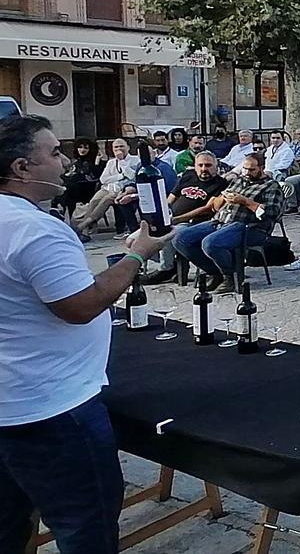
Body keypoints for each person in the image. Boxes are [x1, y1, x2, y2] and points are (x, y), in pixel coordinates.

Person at [0, 115, 173, 553]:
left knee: (7, 522)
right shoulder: (33, 229)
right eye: (54, 152)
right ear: (22, 168)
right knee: (85, 524)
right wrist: (136, 256)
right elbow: (80, 306)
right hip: (51, 407)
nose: (63, 162)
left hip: (12, 398)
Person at [173, 153, 284, 293]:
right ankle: (216, 271)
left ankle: (230, 276)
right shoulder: (238, 180)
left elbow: (271, 213)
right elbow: (216, 207)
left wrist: (245, 202)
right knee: (180, 238)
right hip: (220, 221)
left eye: (251, 170)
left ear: (261, 168)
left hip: (248, 227)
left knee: (210, 243)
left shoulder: (271, 186)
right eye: (245, 169)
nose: (247, 173)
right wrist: (223, 198)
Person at [143, 151, 229, 284]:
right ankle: (172, 265)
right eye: (200, 165)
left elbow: (207, 208)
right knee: (136, 238)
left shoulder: (221, 183)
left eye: (208, 165)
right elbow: (171, 198)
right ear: (194, 166)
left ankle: (166, 269)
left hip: (194, 223)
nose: (204, 169)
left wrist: (178, 219)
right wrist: (161, 214)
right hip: (172, 218)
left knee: (168, 234)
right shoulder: (188, 176)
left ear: (216, 167)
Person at [75, 138, 140, 237]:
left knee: (106, 200)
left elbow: (132, 176)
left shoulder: (135, 160)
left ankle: (84, 224)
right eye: (116, 147)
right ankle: (85, 230)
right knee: (94, 201)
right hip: (107, 187)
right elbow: (103, 179)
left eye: (121, 146)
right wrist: (121, 176)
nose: (119, 149)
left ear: (128, 147)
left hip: (122, 189)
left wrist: (122, 161)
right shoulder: (111, 162)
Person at [60, 136, 102, 220]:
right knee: (65, 190)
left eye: (86, 148)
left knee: (66, 191)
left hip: (87, 190)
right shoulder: (76, 161)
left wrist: (97, 162)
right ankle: (60, 210)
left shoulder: (95, 161)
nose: (82, 150)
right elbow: (70, 174)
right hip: (73, 189)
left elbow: (97, 175)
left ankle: (60, 210)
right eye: (80, 147)